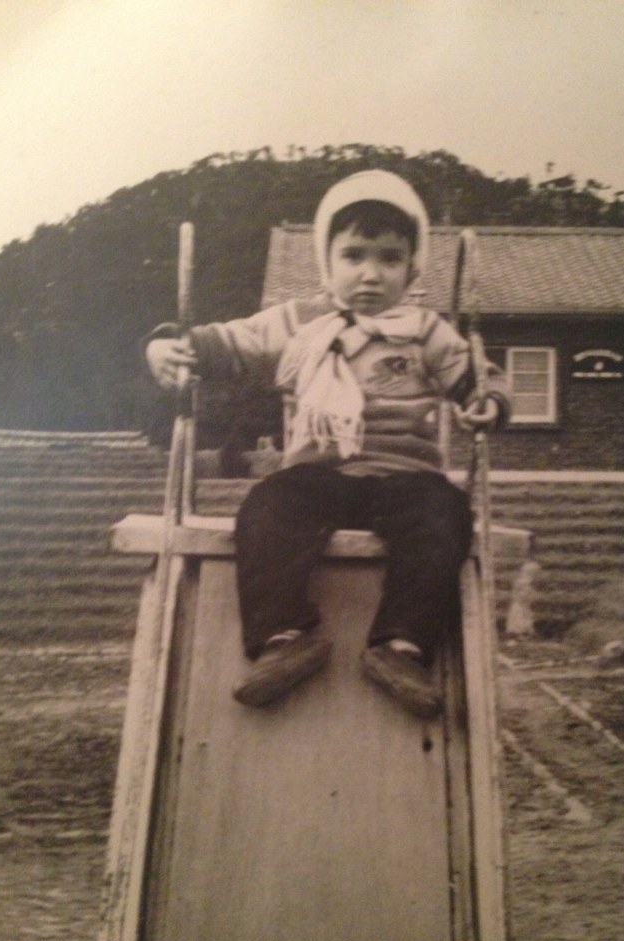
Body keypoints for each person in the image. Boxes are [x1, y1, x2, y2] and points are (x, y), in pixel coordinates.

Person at [145, 170, 512, 719]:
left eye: (389, 258)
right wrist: (166, 346)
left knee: (446, 516)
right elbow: (229, 342)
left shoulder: (425, 330)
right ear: (327, 263)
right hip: (320, 471)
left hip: (404, 475)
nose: (370, 273)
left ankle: (401, 646)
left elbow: (478, 377)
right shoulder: (299, 321)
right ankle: (284, 637)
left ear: (412, 269)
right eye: (354, 255)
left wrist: (488, 402)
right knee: (267, 508)